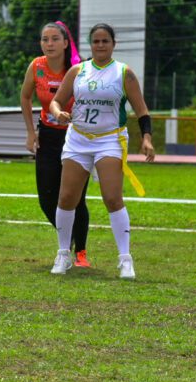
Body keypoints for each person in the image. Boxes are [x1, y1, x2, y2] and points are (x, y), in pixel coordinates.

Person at [48, 23, 155, 279]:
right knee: (66, 198)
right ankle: (63, 253)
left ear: (113, 44)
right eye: (96, 41)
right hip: (78, 139)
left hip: (109, 140)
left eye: (105, 41)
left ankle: (125, 259)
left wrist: (147, 138)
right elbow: (56, 101)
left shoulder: (123, 73)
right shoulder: (77, 71)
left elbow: (142, 110)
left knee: (112, 198)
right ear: (90, 44)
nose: (100, 45)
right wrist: (57, 113)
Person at [20, 21, 91, 268]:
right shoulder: (37, 66)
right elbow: (25, 96)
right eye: (44, 39)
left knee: (75, 197)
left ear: (65, 43)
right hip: (48, 136)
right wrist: (31, 132)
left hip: (76, 138)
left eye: (54, 39)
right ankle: (67, 238)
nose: (48, 44)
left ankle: (80, 252)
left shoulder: (78, 69)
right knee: (46, 197)